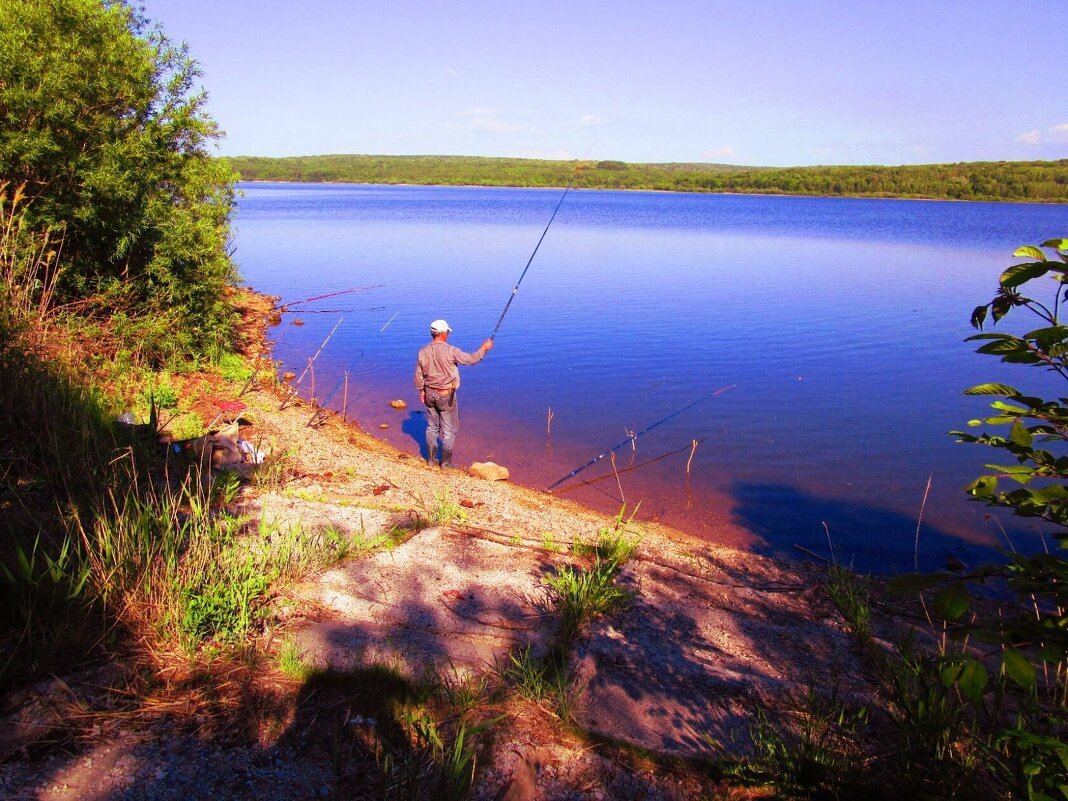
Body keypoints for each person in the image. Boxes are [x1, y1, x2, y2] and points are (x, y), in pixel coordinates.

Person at [414, 319, 493, 468]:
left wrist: (422, 391)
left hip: (429, 393)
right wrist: (484, 348)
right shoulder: (451, 350)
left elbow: (418, 375)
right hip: (446, 395)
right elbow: (471, 359)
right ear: (443, 333)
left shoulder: (422, 351)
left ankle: (431, 460)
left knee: (432, 427)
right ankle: (446, 463)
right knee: (450, 430)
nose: (448, 335)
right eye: (448, 332)